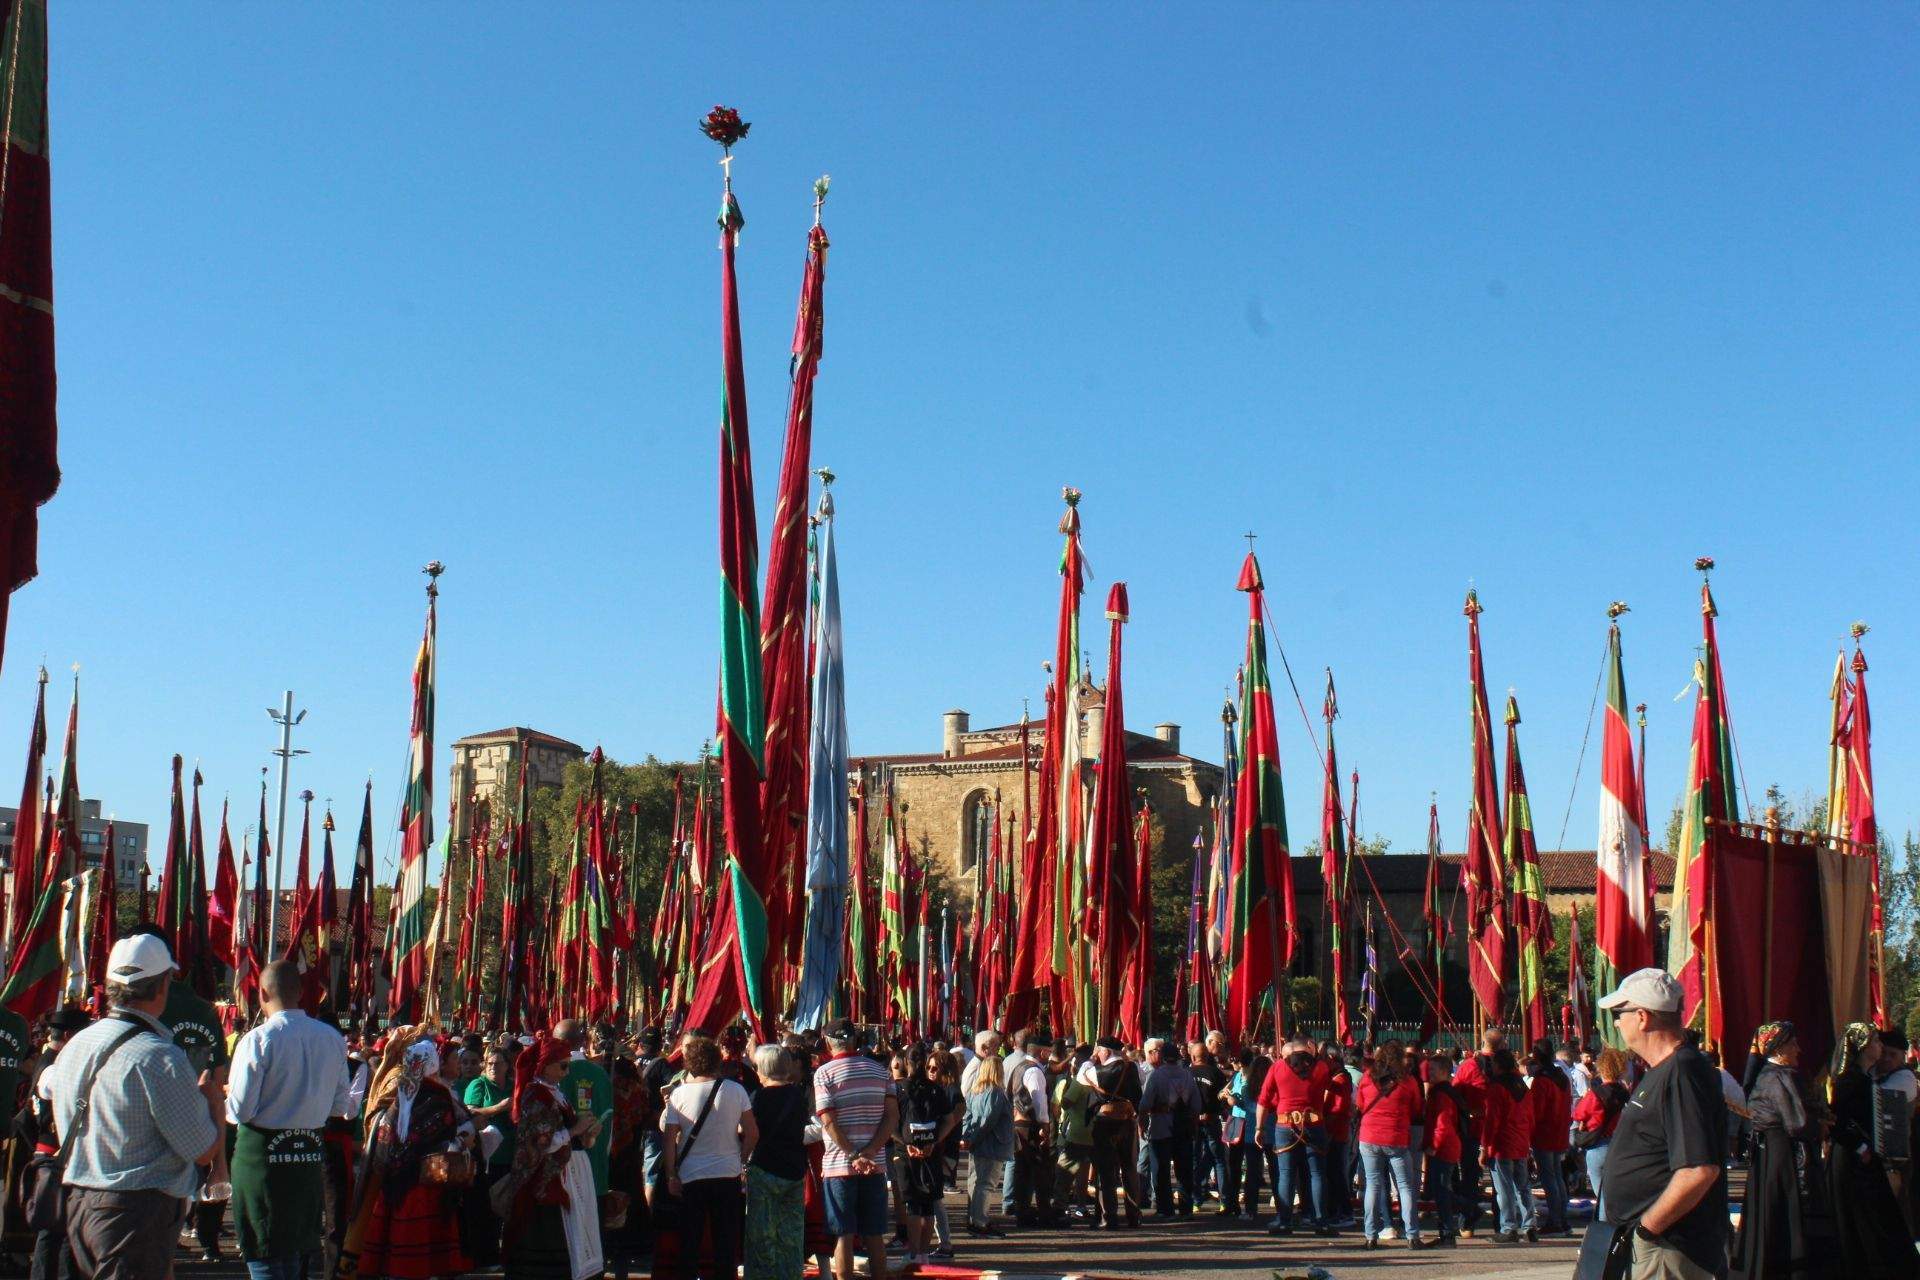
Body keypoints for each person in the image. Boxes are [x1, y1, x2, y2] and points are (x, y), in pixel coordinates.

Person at [41, 934, 222, 1280]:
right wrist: (213, 1104)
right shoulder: (160, 1057)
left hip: (80, 1201)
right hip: (134, 1213)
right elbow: (201, 1150)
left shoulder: (77, 1044)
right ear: (162, 985)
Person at [1598, 967, 1730, 1280]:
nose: (1617, 1021)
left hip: (1670, 1246)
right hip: (1657, 1243)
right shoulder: (1665, 1069)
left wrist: (1647, 1229)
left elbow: (1698, 1170)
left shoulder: (1682, 1071)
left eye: (1621, 1012)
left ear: (1642, 1017)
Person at [226, 960, 354, 1280]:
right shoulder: (332, 1038)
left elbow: (239, 1111)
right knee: (294, 1254)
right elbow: (341, 1106)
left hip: (263, 1159)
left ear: (263, 993)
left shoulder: (257, 1040)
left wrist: (223, 1094)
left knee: (265, 1250)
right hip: (307, 1155)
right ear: (300, 994)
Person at [346, 1034, 476, 1280]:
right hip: (425, 1187)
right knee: (420, 1258)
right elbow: (446, 1133)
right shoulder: (437, 1096)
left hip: (393, 1185)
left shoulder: (400, 1093)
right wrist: (462, 1140)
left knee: (397, 1257)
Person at [497, 1034, 602, 1280]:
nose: (567, 1072)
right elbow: (541, 1142)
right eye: (563, 1065)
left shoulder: (554, 1092)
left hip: (567, 1172)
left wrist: (587, 1133)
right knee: (547, 1235)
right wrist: (575, 1130)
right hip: (547, 1178)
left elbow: (565, 1134)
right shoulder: (537, 1095)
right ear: (545, 1065)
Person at [1731, 1022, 1830, 1280]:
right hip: (1780, 1153)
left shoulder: (1767, 1075)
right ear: (1779, 1047)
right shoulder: (1780, 1077)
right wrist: (1821, 1125)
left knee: (1769, 1208)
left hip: (1769, 1153)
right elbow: (1797, 1122)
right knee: (1782, 1209)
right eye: (1793, 1043)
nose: (1798, 1049)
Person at [1825, 1023, 1917, 1279]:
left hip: (1867, 1161)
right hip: (1854, 1160)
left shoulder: (1869, 1078)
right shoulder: (1851, 1080)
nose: (1881, 1048)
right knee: (1863, 1221)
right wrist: (1862, 1147)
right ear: (1863, 1048)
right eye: (1876, 1043)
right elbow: (1838, 1122)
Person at [661, 1034, 755, 1280]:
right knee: (725, 1243)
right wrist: (741, 1159)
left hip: (691, 1175)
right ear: (716, 1061)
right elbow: (753, 1132)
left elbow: (669, 1139)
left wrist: (671, 1174)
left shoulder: (679, 1095)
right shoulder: (736, 1090)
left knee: (689, 1241)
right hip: (727, 1173)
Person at [812, 1020, 896, 1280]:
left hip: (840, 1165)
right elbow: (892, 1117)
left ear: (828, 1042)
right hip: (874, 1163)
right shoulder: (881, 1071)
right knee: (874, 1234)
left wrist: (852, 1154)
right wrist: (869, 1151)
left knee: (843, 1234)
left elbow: (828, 1121)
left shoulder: (824, 1073)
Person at [1256, 1037, 1333, 1237]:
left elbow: (1263, 1100)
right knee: (1317, 1174)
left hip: (1285, 1123)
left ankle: (1284, 1221)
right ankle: (1320, 1222)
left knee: (1286, 1173)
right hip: (1314, 1123)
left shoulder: (1278, 1067)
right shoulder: (1321, 1067)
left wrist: (1259, 1127)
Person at [743, 1044, 808, 1280]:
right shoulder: (798, 1095)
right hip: (794, 1169)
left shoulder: (759, 1097)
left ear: (763, 1068)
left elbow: (749, 1131)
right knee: (791, 1235)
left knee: (762, 1234)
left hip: (765, 1168)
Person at [1354, 1039, 1424, 1249]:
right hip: (1396, 1137)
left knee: (1373, 1186)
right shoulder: (1408, 1081)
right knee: (1405, 1186)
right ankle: (1412, 1234)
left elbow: (1360, 1104)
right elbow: (1417, 1108)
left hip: (1369, 1136)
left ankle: (1370, 1235)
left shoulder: (1368, 1077)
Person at [897, 1045, 962, 1266]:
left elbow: (889, 1123)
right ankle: (923, 1252)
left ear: (906, 1063)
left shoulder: (899, 1089)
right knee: (928, 1203)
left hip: (907, 1153)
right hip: (931, 1152)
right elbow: (950, 1119)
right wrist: (935, 1141)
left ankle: (913, 1253)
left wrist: (905, 1143)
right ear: (925, 1064)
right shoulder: (936, 1090)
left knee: (913, 1205)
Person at [462, 1041, 518, 1268]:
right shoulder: (479, 1085)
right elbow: (470, 1111)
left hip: (511, 1156)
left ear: (507, 1066)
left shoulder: (513, 1086)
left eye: (498, 1063)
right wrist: (498, 1108)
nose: (494, 1067)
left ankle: (508, 1254)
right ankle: (489, 1256)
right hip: (487, 1158)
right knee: (488, 1208)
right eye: (490, 1063)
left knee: (508, 1207)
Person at [1137, 1038, 1201, 1216]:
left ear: (1163, 1056)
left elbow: (1145, 1104)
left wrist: (1142, 1123)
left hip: (1160, 1127)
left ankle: (1165, 1208)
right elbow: (1196, 1105)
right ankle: (1186, 1207)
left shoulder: (1157, 1075)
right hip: (1183, 1126)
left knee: (1161, 1170)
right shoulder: (1187, 1075)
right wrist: (1193, 1125)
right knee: (1184, 1170)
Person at [551, 1021, 613, 1202]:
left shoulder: (552, 1075)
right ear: (584, 1041)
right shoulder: (601, 1075)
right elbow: (609, 1128)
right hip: (595, 1171)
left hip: (563, 1175)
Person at [1086, 1037, 1143, 1229]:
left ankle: (1108, 1217)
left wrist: (1090, 1060)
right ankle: (1134, 1216)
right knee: (1129, 1169)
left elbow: (1080, 1078)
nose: (1098, 1055)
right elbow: (1138, 1091)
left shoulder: (1094, 1071)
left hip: (1104, 1123)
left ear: (1107, 1051)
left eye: (1100, 1051)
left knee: (1106, 1172)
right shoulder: (1133, 1068)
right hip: (1127, 1121)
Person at [1481, 1047, 1534, 1244]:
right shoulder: (1522, 1086)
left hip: (1502, 1142)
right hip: (1520, 1140)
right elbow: (1530, 1117)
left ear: (1497, 1066)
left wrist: (1484, 1146)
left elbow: (1492, 1119)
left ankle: (1509, 1226)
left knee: (1505, 1189)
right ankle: (1529, 1225)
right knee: (1523, 1186)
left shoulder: (1497, 1087)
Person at [959, 1053, 1013, 1237]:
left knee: (975, 1181)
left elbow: (967, 1116)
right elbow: (988, 1120)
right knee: (986, 1184)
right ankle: (980, 1221)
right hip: (991, 1143)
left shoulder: (975, 1091)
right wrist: (974, 1138)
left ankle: (974, 1218)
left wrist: (967, 1136)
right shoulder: (995, 1092)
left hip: (977, 1143)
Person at [1003, 1031, 1053, 1226]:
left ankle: (1023, 1211)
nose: (1049, 1055)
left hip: (1018, 1123)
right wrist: (1044, 1126)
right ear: (1042, 1052)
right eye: (1048, 1051)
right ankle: (1043, 1213)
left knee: (1023, 1171)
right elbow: (1039, 1101)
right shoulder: (1034, 1071)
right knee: (1040, 1170)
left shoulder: (1019, 1067)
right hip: (1030, 1125)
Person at [1526, 1039, 1573, 1235]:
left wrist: (1529, 1134)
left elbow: (1536, 1111)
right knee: (1557, 1176)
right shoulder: (1561, 1076)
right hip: (1560, 1130)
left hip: (1545, 1133)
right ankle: (1562, 1218)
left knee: (1549, 1178)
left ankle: (1555, 1221)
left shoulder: (1542, 1080)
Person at [1421, 1054, 1463, 1247]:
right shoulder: (1444, 1091)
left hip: (1443, 1147)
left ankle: (1448, 1232)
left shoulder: (1441, 1094)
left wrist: (1433, 1146)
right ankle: (1451, 1226)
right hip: (1446, 1145)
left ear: (1444, 1072)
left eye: (1432, 1071)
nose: (1429, 1074)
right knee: (1441, 1190)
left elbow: (1443, 1123)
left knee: (1442, 1191)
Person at [1051, 1043, 1097, 1222]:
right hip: (1091, 1131)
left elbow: (1062, 1104)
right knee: (1084, 1171)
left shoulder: (1076, 1083)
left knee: (1064, 1171)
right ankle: (1081, 1205)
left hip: (1074, 1131)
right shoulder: (1096, 1081)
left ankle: (1060, 1206)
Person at [1220, 1047, 1264, 1220]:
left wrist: (1234, 1100)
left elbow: (1249, 1103)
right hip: (1236, 1120)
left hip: (1246, 1120)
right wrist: (1225, 1094)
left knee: (1243, 1163)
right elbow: (1225, 1090)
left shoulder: (1253, 1078)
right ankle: (1232, 1202)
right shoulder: (1238, 1075)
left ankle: (1239, 1203)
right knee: (1234, 1163)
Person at [1187, 1039, 1227, 1205]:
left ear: (1193, 1057)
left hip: (1192, 1122)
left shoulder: (1186, 1074)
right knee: (1219, 1160)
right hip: (1211, 1120)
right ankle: (1225, 1200)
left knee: (1194, 1159)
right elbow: (1222, 1098)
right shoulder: (1215, 1073)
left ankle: (1196, 1200)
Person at [1320, 1047, 1354, 1227]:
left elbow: (1337, 1110)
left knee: (1336, 1174)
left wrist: (1328, 1133)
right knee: (1334, 1173)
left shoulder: (1340, 1079)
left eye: (1324, 1058)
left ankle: (1344, 1212)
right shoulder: (1336, 1078)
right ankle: (1337, 1210)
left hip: (1336, 1134)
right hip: (1334, 1132)